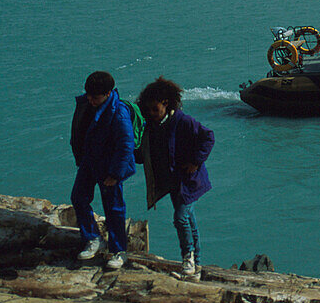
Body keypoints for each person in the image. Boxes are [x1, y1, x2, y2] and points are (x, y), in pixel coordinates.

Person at [136, 77, 214, 279]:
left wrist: (196, 161)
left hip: (189, 181)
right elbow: (147, 153)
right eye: (149, 110)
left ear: (166, 103)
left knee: (180, 218)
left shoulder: (183, 121)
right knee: (189, 220)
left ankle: (187, 258)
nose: (152, 114)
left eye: (156, 109)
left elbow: (208, 136)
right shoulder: (152, 126)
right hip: (172, 182)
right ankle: (196, 265)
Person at [70, 71, 137, 270]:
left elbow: (126, 144)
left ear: (108, 93)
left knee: (114, 207)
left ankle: (119, 251)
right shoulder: (87, 103)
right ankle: (93, 238)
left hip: (109, 168)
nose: (90, 99)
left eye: (95, 96)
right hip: (90, 161)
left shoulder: (119, 112)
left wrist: (115, 174)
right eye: (89, 94)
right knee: (78, 197)